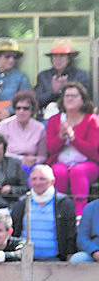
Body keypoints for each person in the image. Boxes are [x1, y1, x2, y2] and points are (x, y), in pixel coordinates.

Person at [45, 82, 99, 215]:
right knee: (58, 172)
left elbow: (92, 150)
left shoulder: (92, 119)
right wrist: (61, 137)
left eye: (74, 96)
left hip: (88, 163)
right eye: (67, 96)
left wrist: (73, 137)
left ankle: (80, 215)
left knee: (77, 171)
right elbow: (51, 149)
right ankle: (60, 213)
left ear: (83, 99)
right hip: (61, 162)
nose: (69, 99)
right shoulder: (54, 120)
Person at [13, 165, 77, 262]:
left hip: (55, 260)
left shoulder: (64, 203)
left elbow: (70, 233)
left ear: (52, 181)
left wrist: (69, 254)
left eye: (42, 179)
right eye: (34, 179)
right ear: (29, 182)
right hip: (24, 260)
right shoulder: (21, 203)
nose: (37, 183)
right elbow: (14, 230)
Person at [35, 39, 91, 115]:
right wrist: (53, 92)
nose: (58, 59)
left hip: (73, 115)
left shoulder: (79, 75)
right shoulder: (44, 76)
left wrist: (68, 87)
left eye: (62, 56)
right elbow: (36, 100)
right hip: (47, 117)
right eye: (55, 56)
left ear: (69, 58)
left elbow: (85, 98)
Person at [0, 89, 47, 174]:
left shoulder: (39, 128)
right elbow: (0, 152)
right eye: (18, 108)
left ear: (32, 110)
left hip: (32, 166)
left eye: (26, 108)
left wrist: (35, 160)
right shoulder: (4, 125)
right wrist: (21, 159)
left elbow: (42, 156)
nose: (21, 111)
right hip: (9, 165)